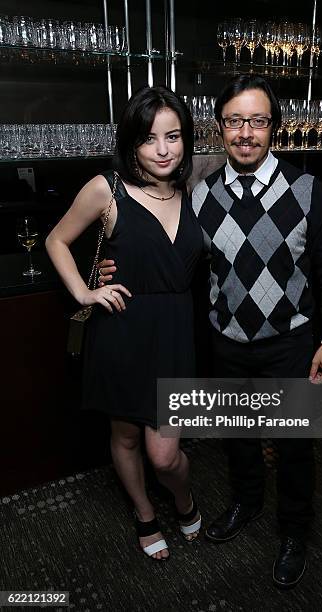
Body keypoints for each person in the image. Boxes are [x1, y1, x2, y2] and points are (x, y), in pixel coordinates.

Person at [99, 75, 322, 587]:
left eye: (257, 121)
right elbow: (163, 248)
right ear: (220, 127)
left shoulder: (308, 191)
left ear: (274, 127)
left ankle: (295, 532)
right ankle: (247, 504)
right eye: (235, 120)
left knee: (295, 445)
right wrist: (108, 268)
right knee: (238, 437)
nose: (245, 132)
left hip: (291, 344)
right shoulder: (201, 194)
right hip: (227, 341)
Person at [46, 86, 203, 561]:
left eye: (173, 136)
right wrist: (85, 289)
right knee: (126, 436)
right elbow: (56, 239)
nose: (162, 149)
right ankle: (144, 513)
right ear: (132, 142)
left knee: (165, 455)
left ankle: (183, 498)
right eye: (149, 137)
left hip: (175, 333)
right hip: (122, 329)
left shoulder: (195, 190)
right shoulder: (107, 190)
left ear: (186, 140)